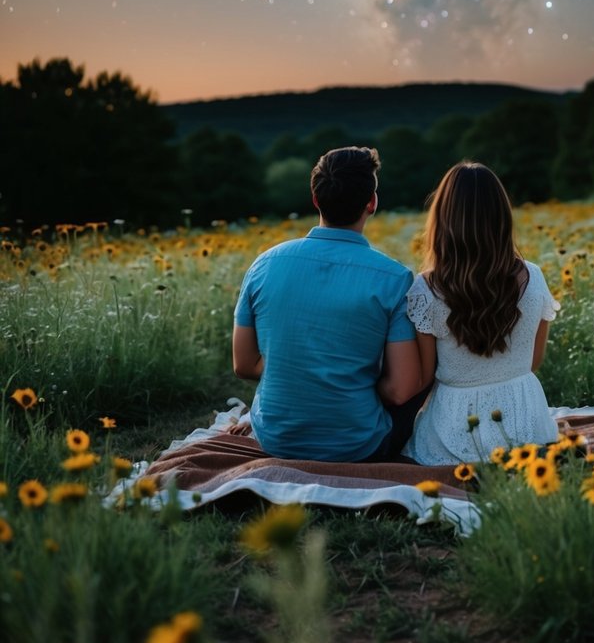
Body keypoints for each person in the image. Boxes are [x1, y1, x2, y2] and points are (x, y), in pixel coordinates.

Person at [231, 146, 423, 462]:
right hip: (357, 447)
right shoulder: (395, 278)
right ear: (371, 203)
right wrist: (344, 373)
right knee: (425, 379)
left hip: (275, 440)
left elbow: (244, 365)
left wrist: (302, 366)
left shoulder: (264, 264)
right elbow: (400, 390)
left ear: (316, 199)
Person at [402, 161, 560, 465]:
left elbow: (424, 378)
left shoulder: (425, 289)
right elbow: (534, 361)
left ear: (442, 220)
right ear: (502, 217)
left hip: (454, 430)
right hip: (526, 423)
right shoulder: (535, 277)